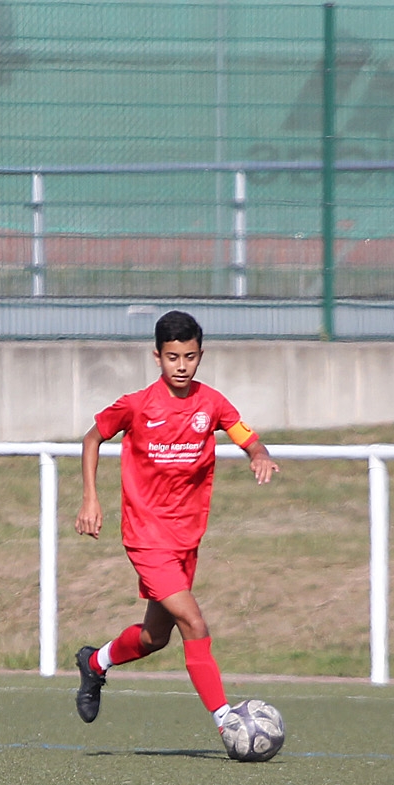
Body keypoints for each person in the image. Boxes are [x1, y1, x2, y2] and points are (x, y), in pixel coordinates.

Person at [73, 310, 279, 743]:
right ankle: (227, 720)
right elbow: (93, 438)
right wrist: (90, 497)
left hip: (187, 538)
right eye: (172, 357)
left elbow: (245, 434)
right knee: (194, 622)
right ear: (157, 357)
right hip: (146, 537)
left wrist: (258, 454)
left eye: (189, 356)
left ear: (200, 355)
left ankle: (95, 664)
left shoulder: (212, 403)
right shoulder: (136, 405)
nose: (181, 366)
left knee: (153, 638)